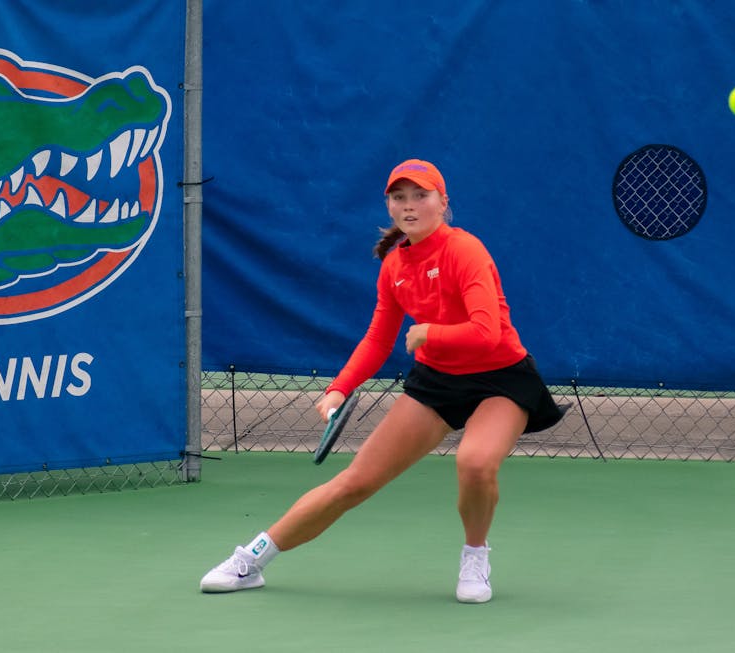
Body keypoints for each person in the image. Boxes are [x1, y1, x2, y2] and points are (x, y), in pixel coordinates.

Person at [200, 159, 567, 603]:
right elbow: (377, 339)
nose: (409, 206)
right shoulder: (395, 266)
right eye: (399, 197)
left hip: (501, 378)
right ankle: (251, 560)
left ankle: (475, 555)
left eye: (420, 196)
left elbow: (486, 332)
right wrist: (339, 387)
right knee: (355, 482)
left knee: (474, 463)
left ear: (442, 203)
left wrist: (430, 332)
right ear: (389, 207)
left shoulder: (465, 251)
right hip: (437, 381)